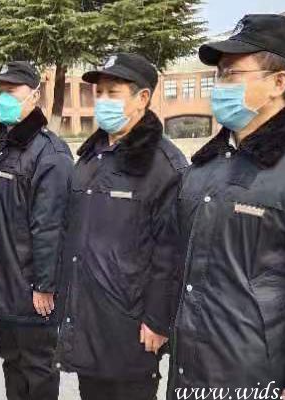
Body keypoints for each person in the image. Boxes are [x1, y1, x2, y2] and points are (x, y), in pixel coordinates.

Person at [169, 15, 285, 400]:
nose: (220, 86)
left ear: (278, 83)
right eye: (218, 74)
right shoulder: (204, 167)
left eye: (232, 74)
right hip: (189, 369)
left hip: (256, 377)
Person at [55, 53, 188, 400]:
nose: (102, 101)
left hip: (131, 324)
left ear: (142, 98)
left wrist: (158, 320)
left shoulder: (164, 165)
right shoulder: (90, 157)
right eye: (98, 93)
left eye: (113, 93)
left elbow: (171, 253)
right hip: (86, 315)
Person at [0, 61, 74, 400]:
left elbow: (50, 225)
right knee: (11, 362)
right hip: (0, 282)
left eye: (12, 91)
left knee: (38, 368)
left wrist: (45, 285)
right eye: (0, 92)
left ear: (35, 95)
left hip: (30, 289)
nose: (3, 99)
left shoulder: (49, 152)